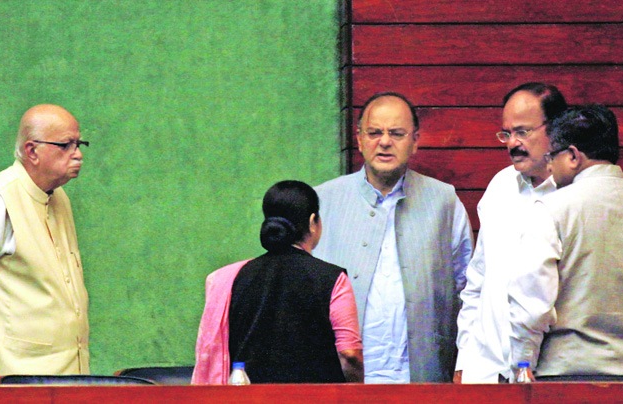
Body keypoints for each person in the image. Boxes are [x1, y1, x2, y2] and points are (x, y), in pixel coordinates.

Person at [313, 92, 474, 383]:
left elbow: (468, 292)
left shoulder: (444, 202)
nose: (385, 142)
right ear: (359, 140)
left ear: (415, 140)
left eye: (397, 133)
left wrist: (465, 366)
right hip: (342, 382)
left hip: (424, 379)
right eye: (374, 132)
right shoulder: (324, 201)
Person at [192, 180, 363, 384]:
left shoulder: (229, 279)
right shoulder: (333, 279)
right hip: (316, 397)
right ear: (312, 222)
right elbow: (349, 355)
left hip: (248, 396)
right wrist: (358, 389)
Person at [508, 104, 623, 381]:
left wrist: (521, 366)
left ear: (574, 155)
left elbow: (531, 307)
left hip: (567, 377)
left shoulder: (553, 209)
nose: (550, 166)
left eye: (552, 156)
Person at [454, 83, 568, 383]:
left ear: (555, 129)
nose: (512, 144)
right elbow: (478, 280)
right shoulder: (501, 186)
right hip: (486, 374)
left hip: (547, 378)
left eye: (523, 132)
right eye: (506, 134)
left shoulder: (572, 196)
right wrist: (465, 362)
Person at [0, 104, 90, 385]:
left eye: (78, 144)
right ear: (32, 151)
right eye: (65, 145)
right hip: (6, 384)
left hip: (64, 380)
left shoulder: (59, 198)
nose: (78, 154)